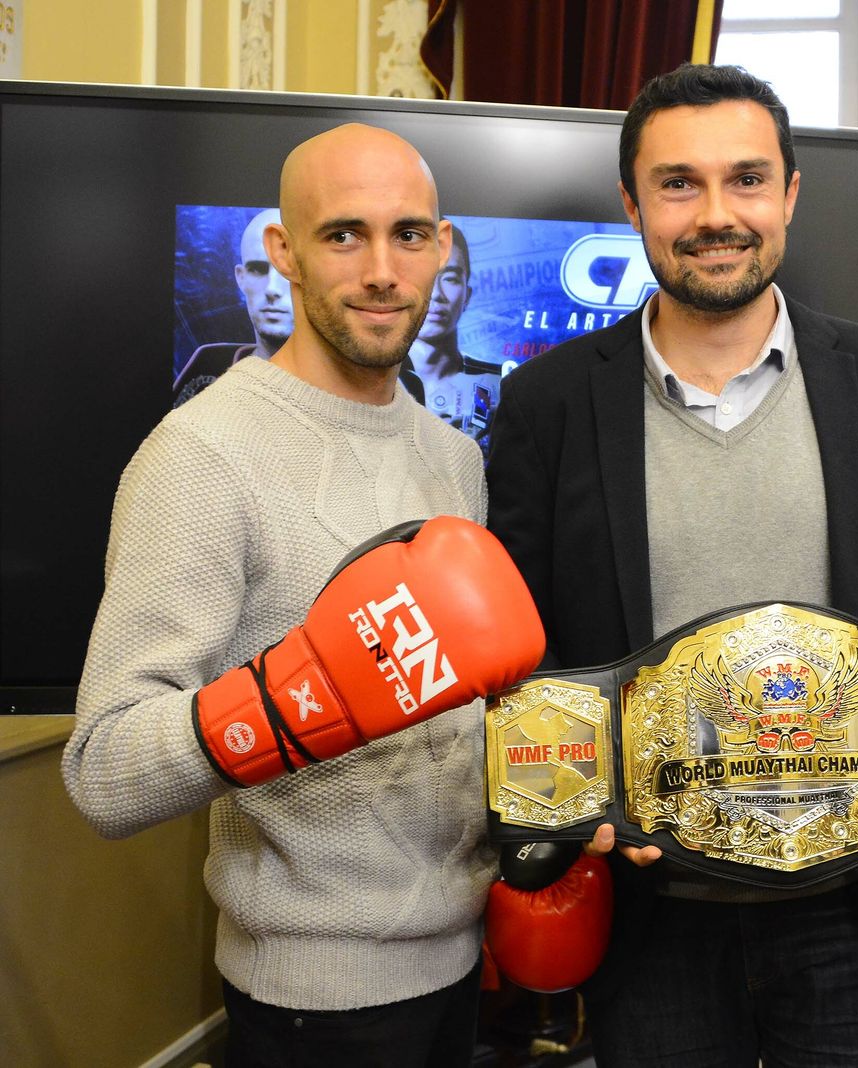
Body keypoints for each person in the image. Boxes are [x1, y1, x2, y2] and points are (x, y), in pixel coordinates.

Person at [486, 63, 858, 1066]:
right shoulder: (548, 408)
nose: (714, 215)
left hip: (856, 912)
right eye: (677, 184)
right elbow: (524, 662)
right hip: (650, 917)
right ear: (633, 203)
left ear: (789, 194)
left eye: (745, 179)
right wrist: (573, 799)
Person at [63, 123, 545, 1067]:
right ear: (282, 250)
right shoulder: (201, 457)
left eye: (409, 235)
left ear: (442, 249)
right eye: (342, 235)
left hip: (460, 964)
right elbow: (103, 768)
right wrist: (302, 698)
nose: (381, 270)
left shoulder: (450, 454)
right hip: (309, 1001)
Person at [173, 208, 293, 405]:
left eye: (286, 271)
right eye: (257, 269)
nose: (272, 289)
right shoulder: (206, 367)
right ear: (241, 278)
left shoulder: (344, 381)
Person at [407, 225, 502, 452]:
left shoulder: (503, 385)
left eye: (449, 279)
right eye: (423, 277)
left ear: (467, 296)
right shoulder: (368, 384)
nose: (436, 294)